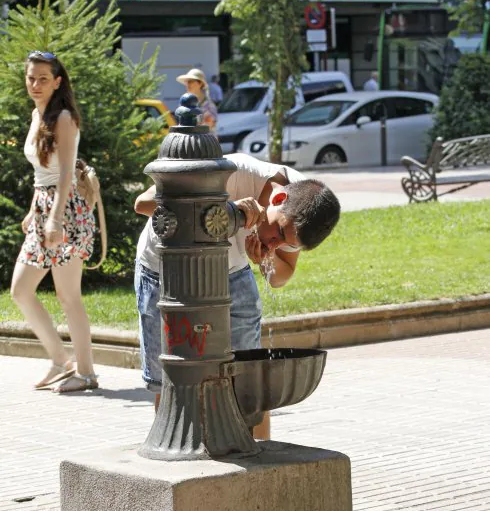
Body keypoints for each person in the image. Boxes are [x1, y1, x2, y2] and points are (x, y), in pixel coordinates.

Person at [134, 152, 340, 438]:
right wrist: (227, 212)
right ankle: (174, 446)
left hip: (230, 269)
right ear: (277, 199)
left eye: (285, 243)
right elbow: (142, 204)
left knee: (251, 380)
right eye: (277, 235)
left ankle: (259, 457)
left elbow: (282, 275)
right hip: (165, 270)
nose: (276, 243)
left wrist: (265, 260)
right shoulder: (230, 171)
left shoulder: (304, 212)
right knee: (168, 380)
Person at [10, 50, 98, 393]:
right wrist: (35, 211)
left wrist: (56, 220)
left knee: (67, 295)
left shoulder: (63, 118)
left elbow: (64, 175)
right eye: (31, 77)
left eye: (43, 78)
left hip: (68, 211)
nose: (35, 84)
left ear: (57, 81)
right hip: (45, 208)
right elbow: (40, 174)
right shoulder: (38, 114)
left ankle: (87, 373)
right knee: (20, 289)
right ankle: (62, 360)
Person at [176, 68, 218, 134]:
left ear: (200, 83)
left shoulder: (209, 105)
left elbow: (210, 125)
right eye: (186, 82)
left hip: (205, 143)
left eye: (190, 81)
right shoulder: (184, 102)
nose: (187, 84)